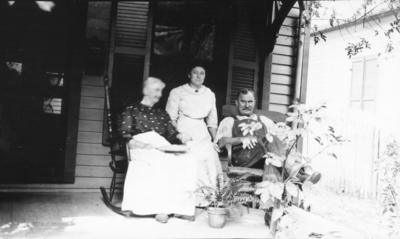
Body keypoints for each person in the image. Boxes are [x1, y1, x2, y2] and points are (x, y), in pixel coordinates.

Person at [118, 77, 196, 223]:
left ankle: (182, 209)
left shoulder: (162, 114)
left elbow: (172, 136)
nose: (160, 95)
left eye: (161, 91)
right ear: (145, 90)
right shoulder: (132, 110)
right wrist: (141, 145)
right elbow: (125, 134)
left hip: (160, 147)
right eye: (156, 90)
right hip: (139, 146)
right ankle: (161, 209)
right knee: (161, 160)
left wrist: (181, 135)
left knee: (189, 160)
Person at [214, 88, 321, 184]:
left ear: (254, 102)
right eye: (243, 102)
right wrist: (241, 139)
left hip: (266, 159)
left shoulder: (264, 121)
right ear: (237, 103)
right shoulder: (230, 121)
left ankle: (298, 174)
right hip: (244, 158)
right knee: (270, 140)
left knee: (275, 140)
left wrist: (288, 137)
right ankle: (299, 174)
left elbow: (281, 137)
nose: (247, 105)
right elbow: (221, 142)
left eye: (250, 102)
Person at [166, 65, 222, 193]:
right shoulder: (177, 92)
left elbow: (212, 122)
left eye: (202, 73)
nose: (198, 76)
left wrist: (215, 140)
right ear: (189, 75)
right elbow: (171, 118)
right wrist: (178, 134)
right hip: (184, 130)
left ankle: (210, 197)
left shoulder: (209, 94)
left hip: (202, 133)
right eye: (195, 72)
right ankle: (189, 198)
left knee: (211, 157)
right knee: (191, 159)